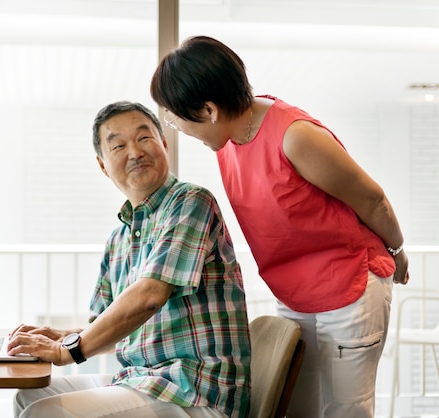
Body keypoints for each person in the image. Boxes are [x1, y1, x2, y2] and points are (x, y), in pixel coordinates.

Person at [150, 35, 409, 418]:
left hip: (350, 286)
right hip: (295, 294)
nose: (177, 128)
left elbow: (372, 199)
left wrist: (397, 251)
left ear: (208, 110)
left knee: (344, 410)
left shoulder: (294, 136)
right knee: (295, 407)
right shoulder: (229, 143)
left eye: (175, 117)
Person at [7, 101, 251, 418]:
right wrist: (63, 335)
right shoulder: (119, 238)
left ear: (164, 143)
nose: (135, 152)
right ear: (103, 165)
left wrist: (66, 350)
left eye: (144, 138)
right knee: (30, 397)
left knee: (48, 413)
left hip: (197, 394)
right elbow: (108, 329)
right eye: (118, 145)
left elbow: (150, 296)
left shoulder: (191, 202)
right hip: (143, 382)